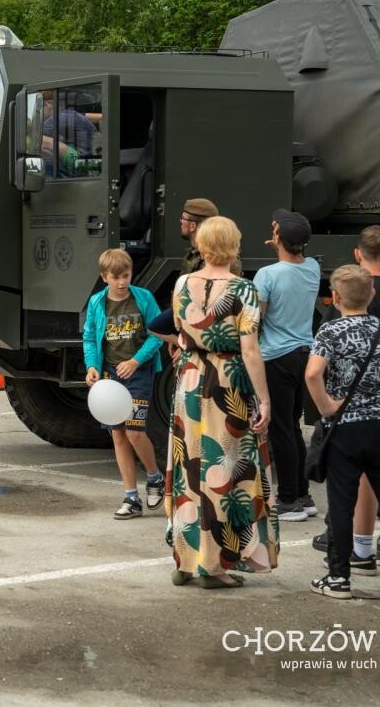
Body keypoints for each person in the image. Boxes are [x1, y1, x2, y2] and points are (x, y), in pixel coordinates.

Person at [167, 216, 277, 588]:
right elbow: (250, 350)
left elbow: (181, 332)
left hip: (189, 380)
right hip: (227, 382)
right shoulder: (243, 290)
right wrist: (264, 399)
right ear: (234, 245)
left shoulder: (182, 283)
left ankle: (185, 561)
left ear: (201, 245)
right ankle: (213, 565)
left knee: (189, 466)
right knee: (224, 471)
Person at [305, 264, 380, 599]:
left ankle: (338, 577)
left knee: (340, 502)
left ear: (335, 298)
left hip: (345, 427)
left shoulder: (331, 331)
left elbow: (312, 374)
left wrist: (326, 407)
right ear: (372, 294)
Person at [83, 248, 165, 519]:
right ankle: (131, 497)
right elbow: (90, 337)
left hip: (138, 374)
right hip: (110, 376)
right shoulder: (97, 302)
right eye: (115, 277)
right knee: (117, 434)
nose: (121, 282)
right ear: (104, 277)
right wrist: (92, 366)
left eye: (126, 276)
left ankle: (155, 478)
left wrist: (136, 361)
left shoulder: (143, 298)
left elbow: (157, 334)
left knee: (135, 431)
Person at [255, 210, 320, 522]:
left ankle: (289, 499)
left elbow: (259, 316)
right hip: (304, 353)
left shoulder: (266, 275)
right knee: (292, 426)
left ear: (278, 238)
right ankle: (303, 494)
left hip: (276, 357)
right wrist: (283, 243)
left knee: (280, 430)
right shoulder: (313, 267)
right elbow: (294, 262)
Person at [178, 198, 219, 274]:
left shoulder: (217, 259)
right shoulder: (196, 253)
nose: (181, 221)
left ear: (192, 226)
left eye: (183, 218)